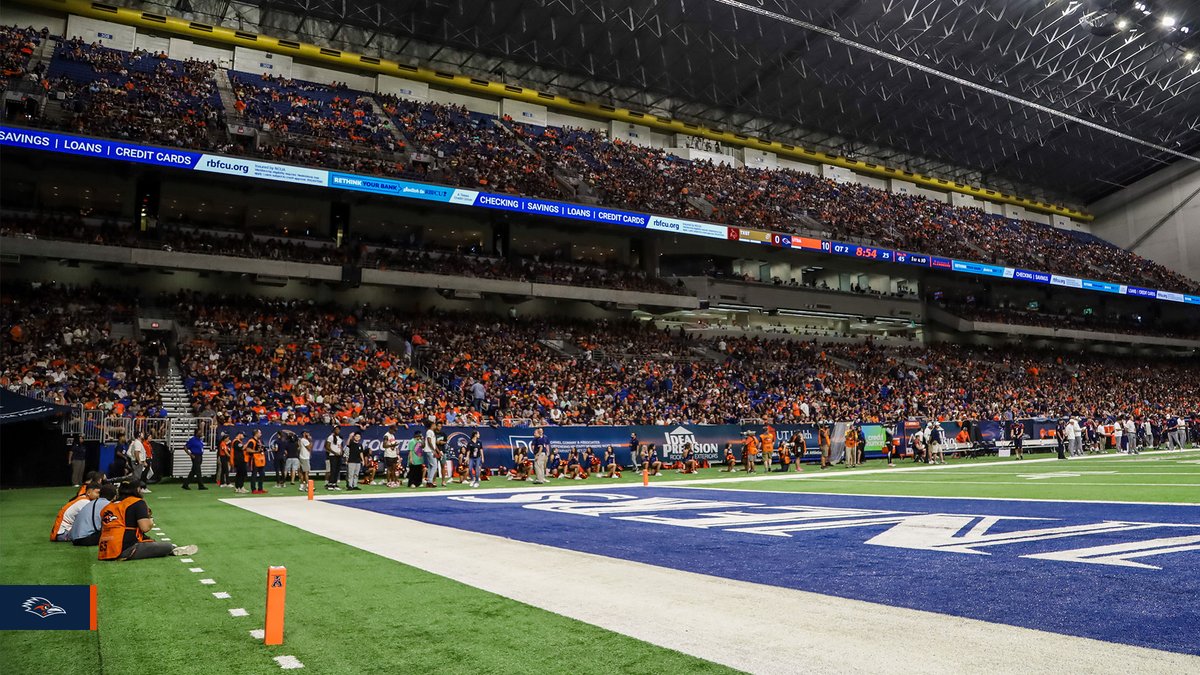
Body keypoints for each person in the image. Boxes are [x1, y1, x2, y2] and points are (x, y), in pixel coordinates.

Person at [98, 481, 197, 561]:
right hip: (125, 549)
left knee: (148, 540)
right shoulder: (137, 502)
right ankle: (172, 548)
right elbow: (144, 527)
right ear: (137, 489)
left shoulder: (109, 506)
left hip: (105, 550)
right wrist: (151, 521)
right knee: (167, 546)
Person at [248, 429, 267, 494]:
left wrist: (263, 449)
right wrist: (256, 451)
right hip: (254, 460)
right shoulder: (251, 441)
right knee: (254, 475)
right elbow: (248, 449)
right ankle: (253, 489)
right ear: (256, 433)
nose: (261, 434)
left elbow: (263, 449)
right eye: (260, 433)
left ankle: (260, 488)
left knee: (262, 474)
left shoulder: (260, 441)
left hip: (261, 460)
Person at [423, 420, 441, 487]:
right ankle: (430, 481)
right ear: (431, 425)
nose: (435, 426)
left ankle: (429, 481)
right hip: (429, 451)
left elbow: (433, 443)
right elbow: (429, 441)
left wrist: (438, 451)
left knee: (431, 466)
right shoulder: (429, 431)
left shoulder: (432, 432)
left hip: (430, 450)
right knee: (434, 466)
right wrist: (433, 450)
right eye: (434, 424)